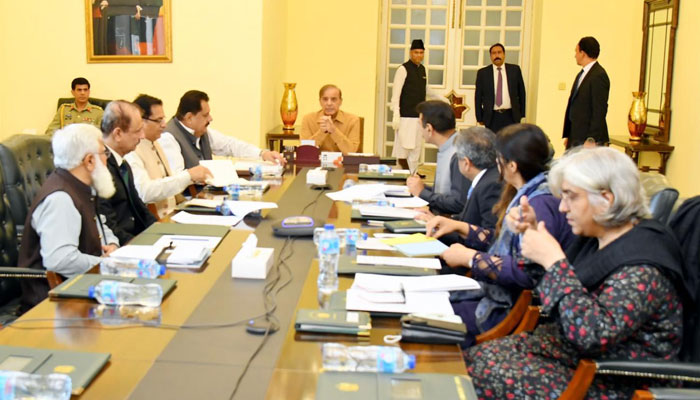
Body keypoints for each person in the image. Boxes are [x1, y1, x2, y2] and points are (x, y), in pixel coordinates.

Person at [466, 147, 689, 399]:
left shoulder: (643, 267)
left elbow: (591, 335)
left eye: (571, 197)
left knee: (469, 376)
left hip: (608, 380)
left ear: (607, 199)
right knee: (464, 364)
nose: (562, 208)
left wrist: (554, 261)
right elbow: (548, 288)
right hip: (567, 357)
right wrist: (531, 234)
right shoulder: (598, 237)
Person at [425, 123, 574, 347]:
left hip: (502, 309)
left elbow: (526, 273)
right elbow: (499, 242)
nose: (496, 164)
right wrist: (459, 227)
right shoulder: (528, 191)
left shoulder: (538, 204)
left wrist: (470, 258)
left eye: (499, 159)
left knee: (422, 317)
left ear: (511, 165)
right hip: (492, 295)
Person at [17, 123, 120, 312]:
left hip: (85, 285)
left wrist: (112, 245)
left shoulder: (81, 185)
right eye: (104, 153)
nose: (106, 159)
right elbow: (60, 260)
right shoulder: (61, 198)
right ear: (89, 161)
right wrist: (107, 264)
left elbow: (100, 222)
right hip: (55, 303)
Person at [125, 94, 212, 218]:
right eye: (158, 120)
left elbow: (171, 188)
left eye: (163, 119)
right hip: (156, 221)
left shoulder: (155, 142)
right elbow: (145, 192)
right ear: (141, 121)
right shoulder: (132, 150)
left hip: (174, 213)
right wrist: (188, 175)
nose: (164, 125)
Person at [158, 90, 286, 174]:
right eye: (205, 115)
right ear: (189, 117)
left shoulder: (203, 132)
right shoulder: (168, 137)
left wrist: (263, 153)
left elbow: (230, 145)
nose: (210, 118)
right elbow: (178, 179)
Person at [99, 100, 157, 244]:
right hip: (122, 246)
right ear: (118, 133)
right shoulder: (100, 167)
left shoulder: (122, 163)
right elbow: (109, 227)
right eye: (138, 131)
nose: (142, 136)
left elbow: (139, 208)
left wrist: (161, 233)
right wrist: (140, 246)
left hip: (136, 240)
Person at [434, 126, 502, 246]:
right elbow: (466, 221)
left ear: (466, 163)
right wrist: (437, 222)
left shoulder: (490, 186)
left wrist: (437, 230)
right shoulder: (487, 178)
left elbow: (489, 240)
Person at [406, 100, 470, 215]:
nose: (419, 131)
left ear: (429, 129)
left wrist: (422, 193)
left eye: (420, 126)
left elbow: (458, 204)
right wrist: (421, 188)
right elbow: (445, 192)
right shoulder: (448, 146)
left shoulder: (458, 154)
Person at [391, 39, 445, 172]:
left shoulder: (422, 70)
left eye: (421, 53)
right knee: (403, 149)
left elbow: (425, 89)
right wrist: (396, 115)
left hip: (419, 117)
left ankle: (413, 175)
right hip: (405, 117)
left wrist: (441, 98)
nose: (419, 55)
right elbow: (395, 94)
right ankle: (401, 177)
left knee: (416, 149)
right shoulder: (403, 69)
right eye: (416, 52)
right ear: (410, 53)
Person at [563, 36, 610, 149]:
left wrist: (591, 139)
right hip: (576, 136)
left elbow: (599, 110)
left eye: (576, 51)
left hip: (587, 139)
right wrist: (569, 134)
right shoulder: (582, 74)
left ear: (583, 53)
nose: (575, 55)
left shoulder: (599, 75)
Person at [474, 43, 526, 134]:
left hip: (511, 115)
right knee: (493, 144)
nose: (497, 55)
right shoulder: (483, 73)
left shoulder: (514, 70)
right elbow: (478, 97)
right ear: (490, 56)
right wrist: (479, 116)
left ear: (504, 54)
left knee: (510, 143)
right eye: (493, 53)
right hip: (492, 116)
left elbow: (522, 92)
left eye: (499, 52)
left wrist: (521, 113)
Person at [299, 84, 361, 153]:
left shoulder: (352, 120)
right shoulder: (308, 119)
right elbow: (305, 152)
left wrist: (333, 131)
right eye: (325, 99)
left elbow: (351, 152)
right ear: (320, 101)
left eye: (333, 99)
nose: (329, 103)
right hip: (316, 163)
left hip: (343, 162)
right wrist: (322, 132)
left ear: (340, 101)